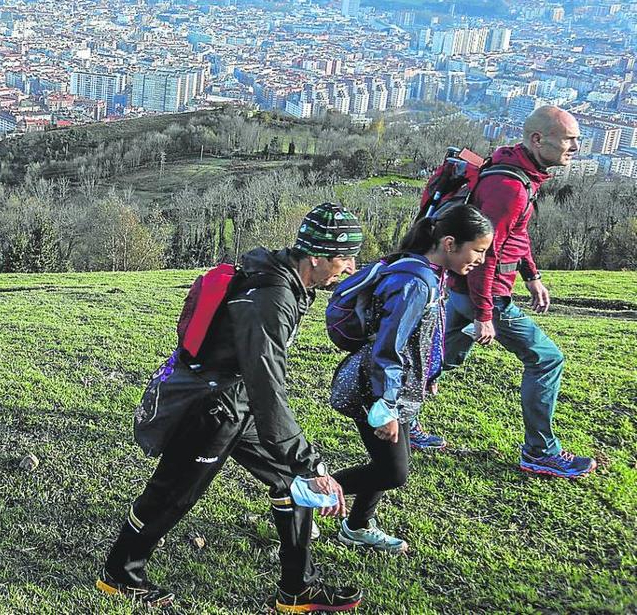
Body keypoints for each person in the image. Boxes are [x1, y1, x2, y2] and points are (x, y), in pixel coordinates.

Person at [99, 203, 365, 612]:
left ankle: (297, 587)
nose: (350, 267)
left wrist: (300, 466)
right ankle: (120, 573)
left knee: (291, 484)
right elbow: (267, 387)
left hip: (237, 402)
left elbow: (259, 387)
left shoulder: (285, 279)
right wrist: (308, 460)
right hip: (213, 407)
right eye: (345, 257)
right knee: (173, 494)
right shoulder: (271, 300)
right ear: (316, 256)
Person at [421, 105, 597, 478]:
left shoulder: (516, 169)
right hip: (483, 295)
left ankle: (401, 419)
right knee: (547, 360)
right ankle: (540, 452)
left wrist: (531, 274)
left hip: (462, 289)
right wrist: (485, 314)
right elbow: (485, 255)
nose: (576, 147)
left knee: (440, 358)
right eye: (569, 139)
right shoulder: (510, 187)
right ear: (537, 139)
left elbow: (515, 235)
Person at [330, 204, 493, 554]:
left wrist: (427, 373)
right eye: (478, 250)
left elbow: (423, 335)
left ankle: (357, 525)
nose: (481, 260)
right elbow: (389, 347)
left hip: (397, 388)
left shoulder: (432, 274)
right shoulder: (414, 282)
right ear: (449, 243)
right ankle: (310, 495)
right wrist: (385, 406)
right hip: (376, 390)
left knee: (386, 465)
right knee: (393, 472)